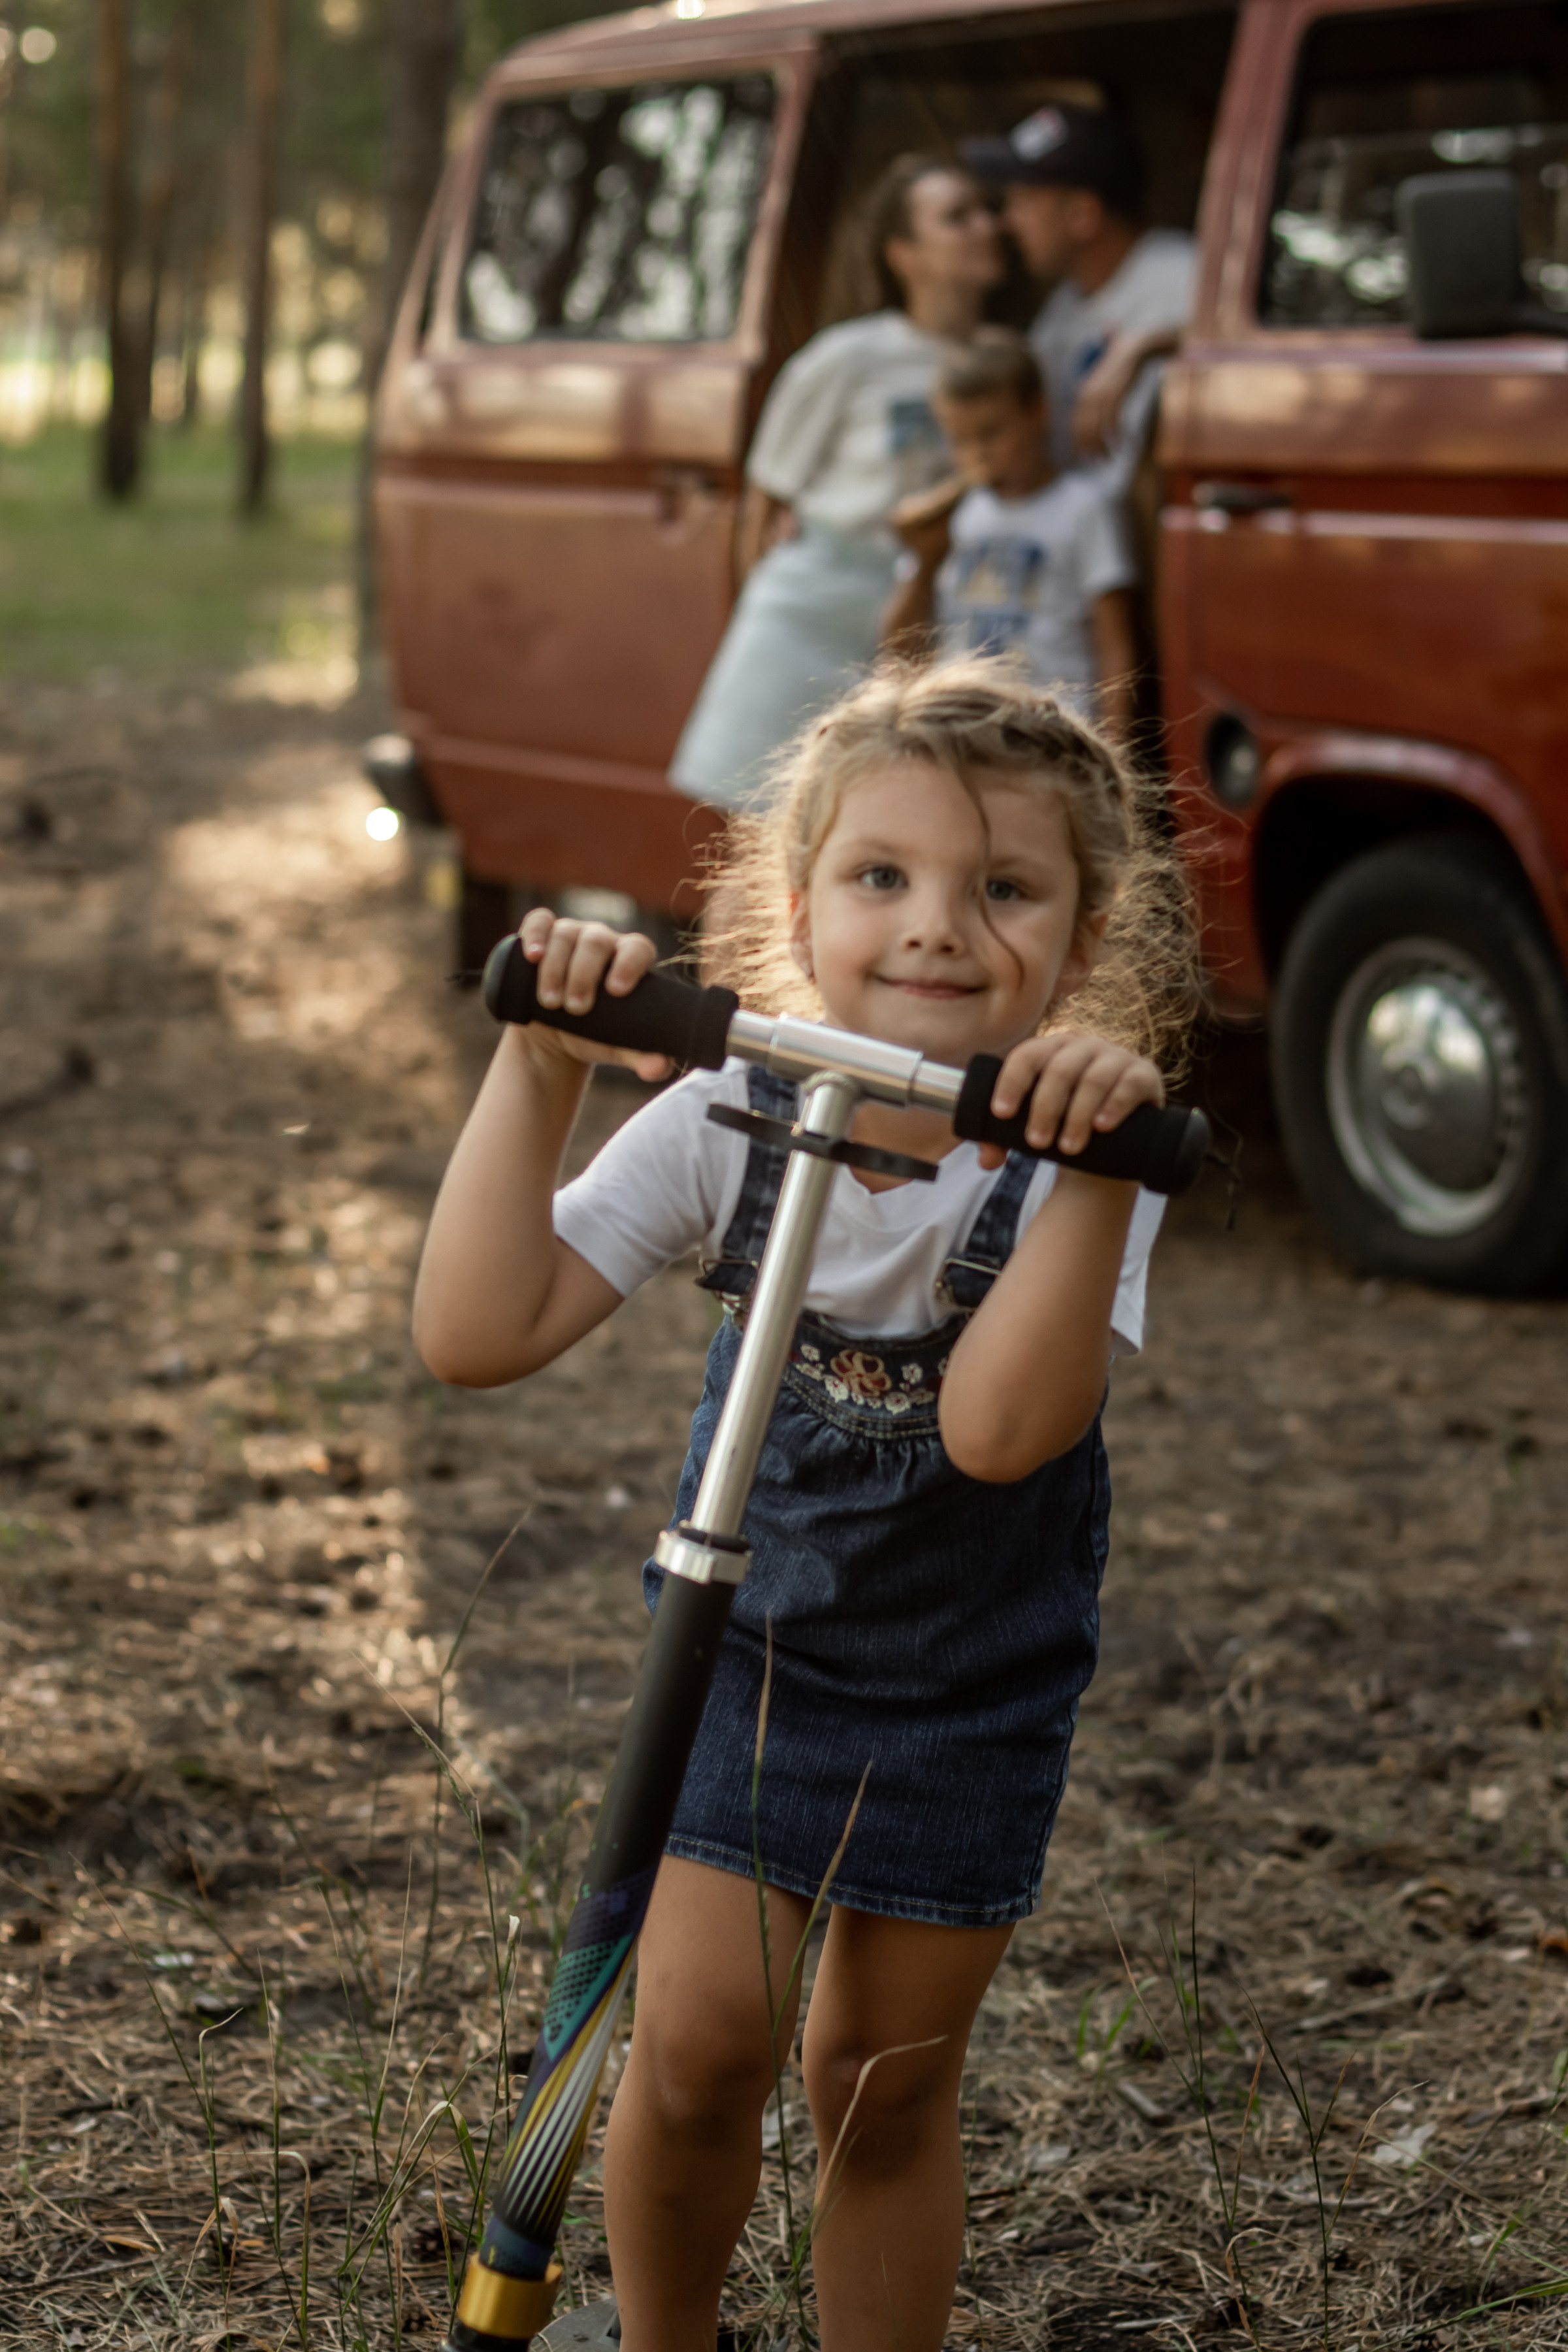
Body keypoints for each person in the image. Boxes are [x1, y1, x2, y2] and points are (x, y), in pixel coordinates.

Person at [412, 660, 1196, 2352]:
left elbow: (999, 1434)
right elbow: (477, 1333)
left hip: (968, 1687)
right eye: (882, 875)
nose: (935, 928)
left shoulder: (1086, 1168)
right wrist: (541, 1062)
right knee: (700, 2050)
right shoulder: (728, 1117)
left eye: (1004, 890)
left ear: (1082, 940)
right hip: (749, 1655)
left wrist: (1095, 1168)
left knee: (879, 2083)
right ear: (798, 908)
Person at [668, 156, 1001, 811]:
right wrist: (757, 621)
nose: (987, 227)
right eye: (958, 217)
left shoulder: (1005, 359)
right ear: (904, 253)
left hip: (928, 620)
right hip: (812, 611)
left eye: (987, 211)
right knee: (764, 825)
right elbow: (766, 497)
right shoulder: (847, 357)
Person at [881, 328, 1137, 739]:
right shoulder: (957, 515)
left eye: (991, 433)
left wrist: (1116, 746)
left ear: (1038, 412)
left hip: (1051, 731)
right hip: (960, 727)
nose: (977, 454)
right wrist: (925, 560)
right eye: (960, 440)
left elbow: (1115, 647)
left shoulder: (1084, 508)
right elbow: (898, 645)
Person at [962, 103, 1195, 494]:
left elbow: (1251, 353)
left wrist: (1143, 347)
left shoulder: (1187, 275)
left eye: (1024, 201)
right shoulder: (1060, 312)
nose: (1008, 221)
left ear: (1082, 214)